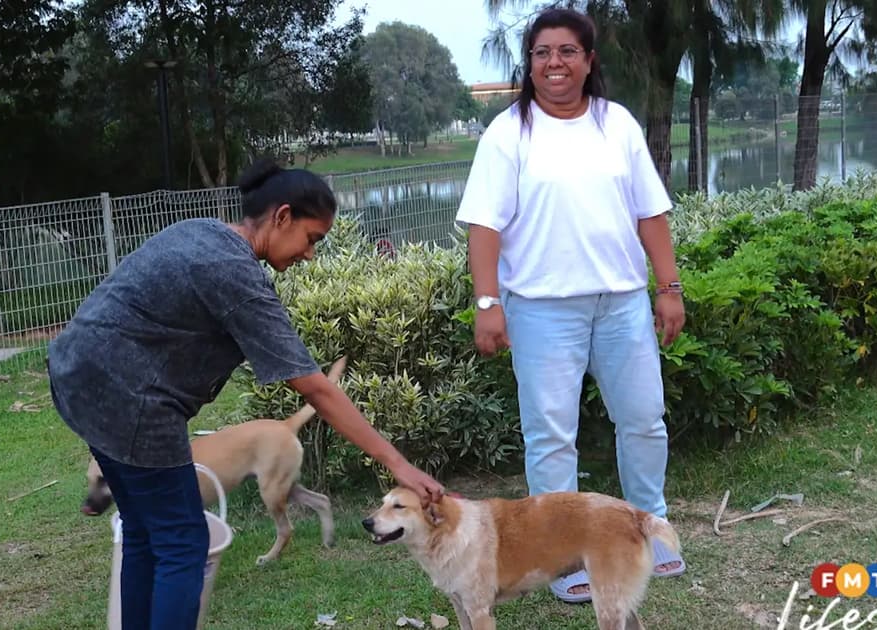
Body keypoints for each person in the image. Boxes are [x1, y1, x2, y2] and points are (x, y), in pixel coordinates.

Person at [47, 159, 444, 629]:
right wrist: (398, 464)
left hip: (74, 375)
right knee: (182, 543)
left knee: (143, 529)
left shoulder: (201, 231)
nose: (310, 254)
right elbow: (315, 387)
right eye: (311, 238)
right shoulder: (236, 276)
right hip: (129, 400)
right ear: (282, 217)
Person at [454, 7, 687, 604]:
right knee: (552, 437)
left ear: (588, 61)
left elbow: (650, 213)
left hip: (621, 304)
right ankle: (562, 556)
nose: (553, 63)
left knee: (643, 419)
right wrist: (488, 302)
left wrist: (668, 288)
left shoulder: (617, 124)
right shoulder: (508, 133)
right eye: (541, 53)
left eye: (566, 52)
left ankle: (649, 527)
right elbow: (484, 226)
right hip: (541, 311)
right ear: (529, 63)